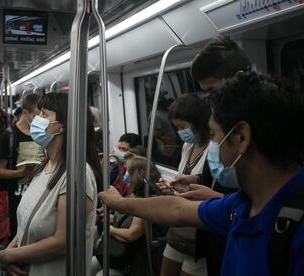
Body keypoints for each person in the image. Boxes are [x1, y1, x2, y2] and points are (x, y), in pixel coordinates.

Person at [99, 71, 304, 276]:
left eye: (214, 135)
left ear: (242, 137)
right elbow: (177, 209)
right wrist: (119, 203)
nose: (213, 145)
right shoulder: (241, 205)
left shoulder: (295, 229)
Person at [169, 35, 252, 276]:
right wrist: (198, 181)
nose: (211, 99)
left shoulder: (263, 126)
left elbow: (268, 198)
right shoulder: (225, 121)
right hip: (215, 236)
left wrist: (215, 198)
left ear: (237, 79)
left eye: (214, 90)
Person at [0, 92, 102, 276]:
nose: (37, 119)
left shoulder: (77, 174)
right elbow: (28, 220)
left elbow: (63, 242)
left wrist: (8, 257)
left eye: (44, 114)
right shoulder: (45, 166)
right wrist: (14, 251)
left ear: (62, 126)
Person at [158, 94, 210, 276]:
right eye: (177, 127)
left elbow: (210, 187)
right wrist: (171, 187)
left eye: (182, 127)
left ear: (198, 122)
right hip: (179, 226)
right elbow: (183, 178)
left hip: (199, 228)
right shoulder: (188, 146)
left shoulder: (214, 149)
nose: (180, 132)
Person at [94, 156, 163, 276]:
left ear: (135, 175)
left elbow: (132, 234)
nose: (124, 175)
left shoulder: (144, 202)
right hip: (119, 250)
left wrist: (110, 230)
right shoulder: (132, 194)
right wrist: (109, 217)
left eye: (127, 172)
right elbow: (125, 218)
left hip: (130, 259)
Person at [0, 93, 44, 238]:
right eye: (36, 116)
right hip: (17, 194)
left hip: (39, 192)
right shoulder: (9, 136)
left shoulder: (43, 134)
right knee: (18, 232)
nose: (39, 120)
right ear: (25, 113)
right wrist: (21, 173)